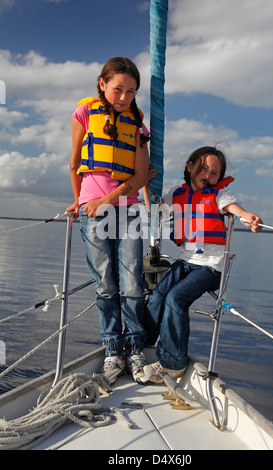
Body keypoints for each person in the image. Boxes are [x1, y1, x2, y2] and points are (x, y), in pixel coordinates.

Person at [141, 146, 263, 384]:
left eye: (215, 172)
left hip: (211, 267)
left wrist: (251, 219)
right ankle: (144, 346)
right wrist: (145, 184)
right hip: (186, 262)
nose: (208, 174)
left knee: (176, 299)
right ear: (190, 167)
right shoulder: (176, 193)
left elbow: (236, 210)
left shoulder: (220, 196)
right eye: (204, 168)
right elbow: (153, 211)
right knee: (157, 295)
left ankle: (172, 364)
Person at [67, 57, 150, 383]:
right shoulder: (85, 113)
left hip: (126, 210)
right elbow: (74, 163)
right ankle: (113, 350)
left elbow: (141, 175)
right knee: (106, 284)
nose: (124, 97)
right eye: (118, 89)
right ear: (102, 84)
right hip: (92, 211)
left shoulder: (137, 124)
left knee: (132, 285)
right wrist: (79, 200)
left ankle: (135, 350)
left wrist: (105, 199)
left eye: (131, 92)